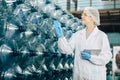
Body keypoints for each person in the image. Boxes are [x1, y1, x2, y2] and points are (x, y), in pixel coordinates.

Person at [53, 7, 112, 80]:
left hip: (95, 76)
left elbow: (107, 57)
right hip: (79, 76)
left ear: (91, 18)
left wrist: (91, 57)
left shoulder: (101, 36)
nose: (82, 16)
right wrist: (61, 36)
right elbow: (67, 50)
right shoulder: (78, 35)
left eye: (85, 15)